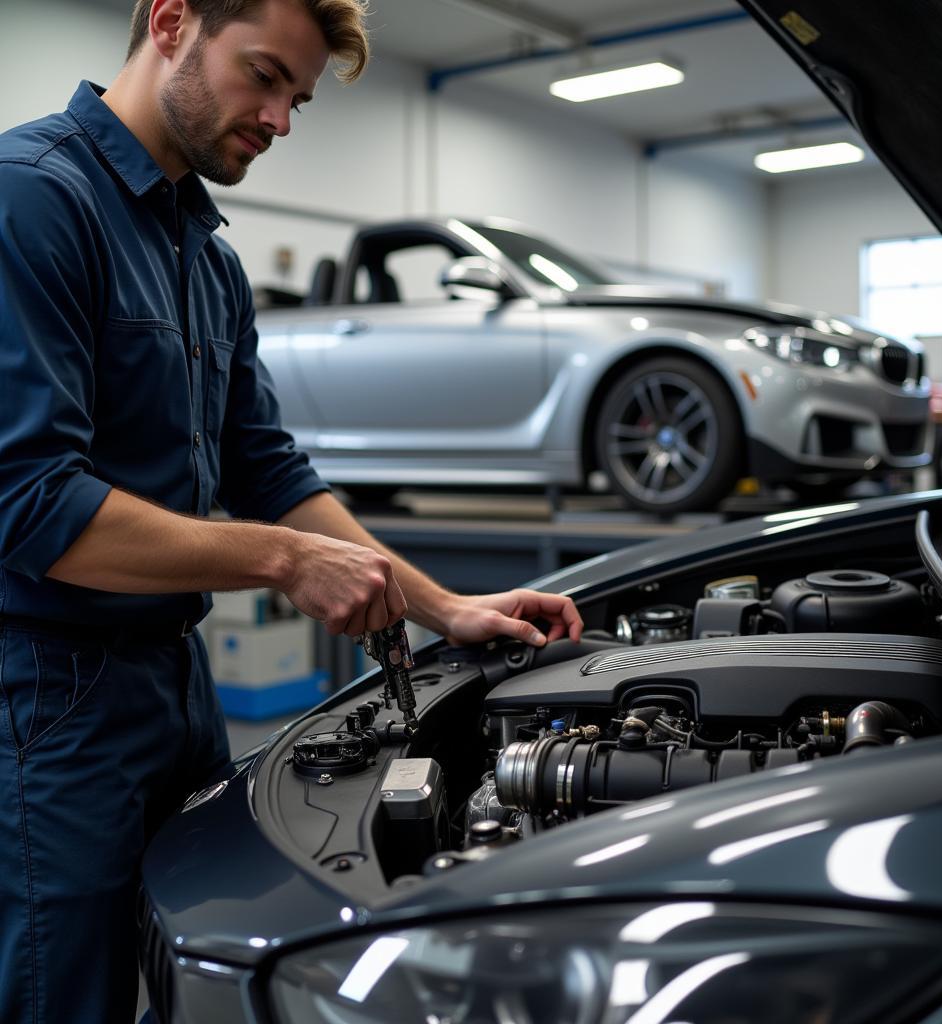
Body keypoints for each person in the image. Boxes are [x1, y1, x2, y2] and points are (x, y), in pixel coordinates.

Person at [0, 0, 583, 1019]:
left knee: (191, 982)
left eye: (297, 99)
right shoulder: (33, 202)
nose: (278, 119)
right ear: (172, 21)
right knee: (65, 997)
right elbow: (33, 505)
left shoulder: (210, 260)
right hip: (50, 704)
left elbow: (269, 470)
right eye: (264, 76)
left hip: (176, 687)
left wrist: (442, 606)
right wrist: (280, 562)